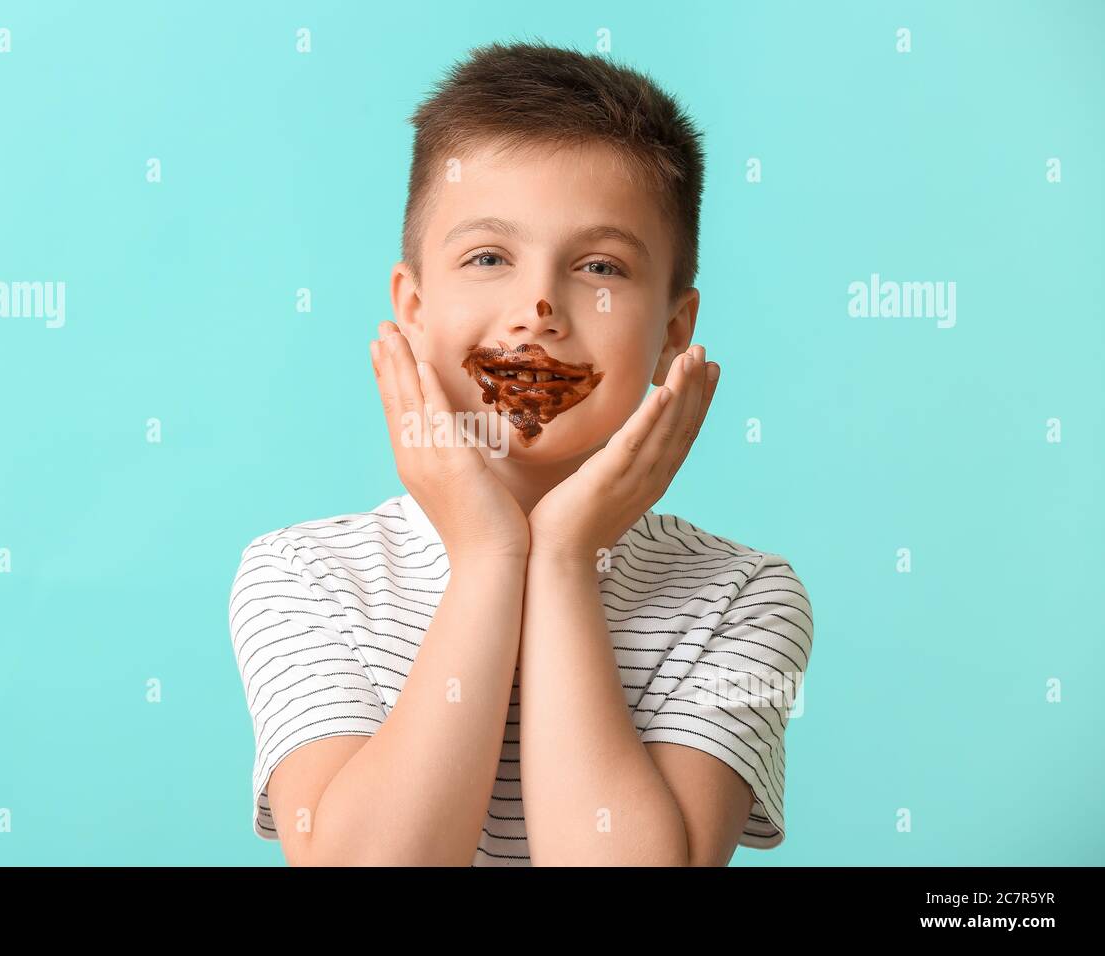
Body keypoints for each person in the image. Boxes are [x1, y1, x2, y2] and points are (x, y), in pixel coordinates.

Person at [228, 39, 814, 866]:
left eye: (600, 266)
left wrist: (567, 560)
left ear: (672, 334)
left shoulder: (741, 600)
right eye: (489, 257)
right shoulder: (304, 576)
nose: (538, 306)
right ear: (415, 307)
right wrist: (488, 554)